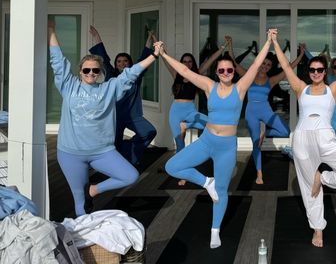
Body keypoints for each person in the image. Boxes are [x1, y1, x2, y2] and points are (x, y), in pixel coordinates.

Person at [159, 32, 274, 249]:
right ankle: (206, 182)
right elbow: (184, 70)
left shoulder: (240, 89)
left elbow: (256, 64)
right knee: (172, 166)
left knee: (221, 191)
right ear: (217, 72)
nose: (225, 73)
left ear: (233, 72)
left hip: (227, 147)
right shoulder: (209, 86)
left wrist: (269, 42)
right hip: (206, 141)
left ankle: (215, 230)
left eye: (229, 70)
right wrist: (164, 54)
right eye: (221, 70)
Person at [272, 31, 336, 248]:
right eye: (312, 69)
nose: (316, 72)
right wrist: (273, 42)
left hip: (326, 138)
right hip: (302, 139)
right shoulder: (301, 88)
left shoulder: (333, 89)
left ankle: (323, 178)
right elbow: (285, 66)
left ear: (325, 72)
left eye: (320, 70)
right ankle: (318, 228)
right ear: (308, 71)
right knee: (308, 188)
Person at [48, 20, 160, 217]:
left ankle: (93, 190)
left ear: (101, 72)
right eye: (86, 70)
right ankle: (83, 241)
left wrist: (153, 55)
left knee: (130, 175)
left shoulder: (109, 88)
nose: (91, 73)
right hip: (70, 154)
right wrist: (51, 31)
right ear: (80, 71)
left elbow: (131, 74)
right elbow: (58, 62)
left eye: (95, 70)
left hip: (102, 152)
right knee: (80, 204)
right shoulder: (69, 86)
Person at [229, 36, 305, 184]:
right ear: (259, 63)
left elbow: (288, 68)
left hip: (266, 110)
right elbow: (233, 63)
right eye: (263, 63)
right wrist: (230, 45)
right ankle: (259, 174)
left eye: (268, 64)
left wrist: (301, 54)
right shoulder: (248, 76)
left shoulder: (271, 80)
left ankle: (264, 131)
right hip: (251, 112)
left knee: (285, 131)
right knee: (256, 144)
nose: (265, 66)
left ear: (270, 67)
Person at [88, 26, 157, 165]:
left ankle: (129, 154)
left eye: (125, 61)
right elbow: (103, 57)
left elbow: (144, 57)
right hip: (113, 116)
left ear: (130, 63)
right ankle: (113, 166)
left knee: (149, 132)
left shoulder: (135, 75)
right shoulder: (110, 74)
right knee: (114, 145)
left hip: (133, 115)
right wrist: (96, 36)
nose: (122, 63)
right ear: (116, 64)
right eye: (119, 61)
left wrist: (149, 38)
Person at [162, 44, 228, 185]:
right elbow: (166, 60)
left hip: (190, 110)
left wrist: (222, 48)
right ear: (181, 63)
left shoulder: (196, 74)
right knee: (180, 144)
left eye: (189, 61)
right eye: (184, 61)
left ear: (193, 63)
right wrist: (159, 48)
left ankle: (186, 125)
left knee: (211, 124)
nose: (187, 63)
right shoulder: (176, 74)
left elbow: (210, 61)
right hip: (176, 111)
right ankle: (183, 175)